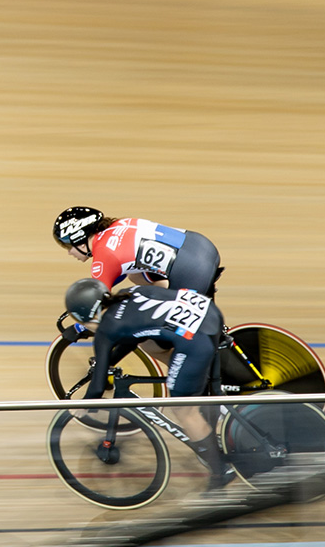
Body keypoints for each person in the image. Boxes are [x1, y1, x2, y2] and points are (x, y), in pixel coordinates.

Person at [64, 277, 233, 491]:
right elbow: (131, 337)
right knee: (178, 369)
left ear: (83, 316)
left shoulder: (106, 331)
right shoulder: (127, 292)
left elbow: (97, 387)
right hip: (209, 313)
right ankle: (220, 422)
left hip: (195, 341)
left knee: (183, 410)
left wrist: (83, 406)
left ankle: (221, 472)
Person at [53, 207, 222, 297]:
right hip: (201, 245)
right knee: (135, 275)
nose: (69, 253)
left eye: (67, 247)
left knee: (161, 335)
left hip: (193, 271)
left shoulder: (103, 257)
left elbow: (98, 304)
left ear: (80, 243)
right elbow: (123, 273)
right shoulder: (119, 224)